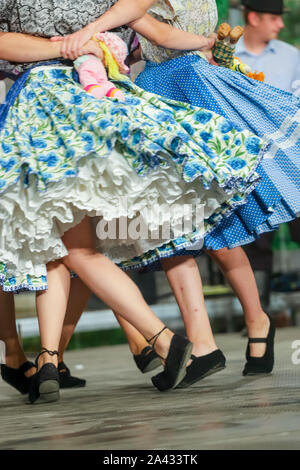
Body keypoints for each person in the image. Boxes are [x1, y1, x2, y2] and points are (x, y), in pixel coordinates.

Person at [0, 0, 264, 402]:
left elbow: (151, 25)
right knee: (66, 245)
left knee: (73, 246)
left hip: (54, 106)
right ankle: (55, 357)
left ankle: (159, 340)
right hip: (87, 104)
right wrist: (74, 44)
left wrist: (76, 43)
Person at [51, 0, 299, 380]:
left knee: (205, 228)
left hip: (181, 87)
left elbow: (160, 33)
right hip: (170, 86)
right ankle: (223, 336)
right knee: (174, 228)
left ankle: (247, 324)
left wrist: (88, 29)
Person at [235, 0, 300, 307]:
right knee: (256, 236)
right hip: (251, 163)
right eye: (274, 18)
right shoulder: (226, 56)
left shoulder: (291, 56)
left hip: (292, 160)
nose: (281, 25)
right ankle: (258, 313)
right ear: (253, 17)